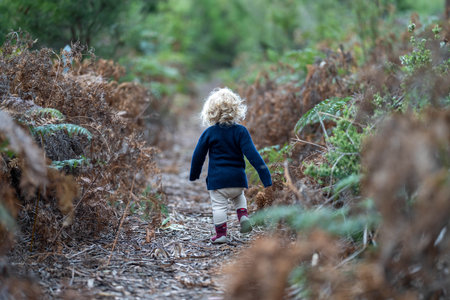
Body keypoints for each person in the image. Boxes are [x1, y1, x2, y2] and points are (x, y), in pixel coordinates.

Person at [189, 87, 272, 243]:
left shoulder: (209, 133)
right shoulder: (241, 131)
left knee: (219, 207)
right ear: (236, 109)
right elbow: (254, 156)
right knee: (239, 197)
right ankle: (243, 217)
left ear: (210, 111)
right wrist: (266, 178)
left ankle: (221, 235)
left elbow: (198, 156)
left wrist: (194, 175)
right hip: (238, 180)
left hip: (218, 181)